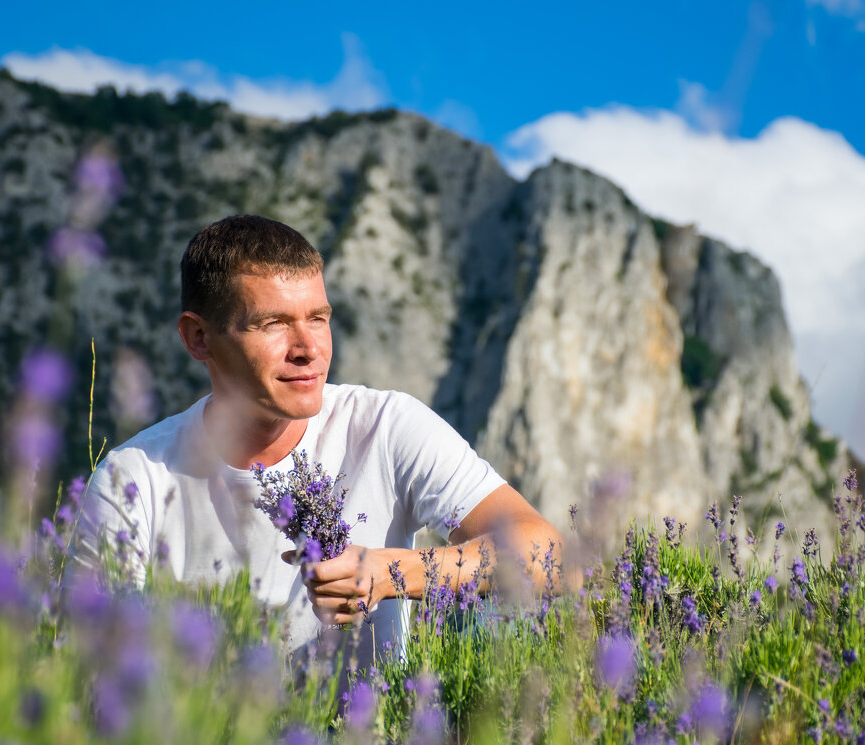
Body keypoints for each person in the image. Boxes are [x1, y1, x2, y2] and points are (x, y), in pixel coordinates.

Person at [76, 214, 560, 658]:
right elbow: (85, 669)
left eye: (318, 318)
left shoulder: (385, 425)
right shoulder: (133, 477)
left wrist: (390, 572)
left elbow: (551, 556)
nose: (308, 348)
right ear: (198, 338)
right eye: (273, 324)